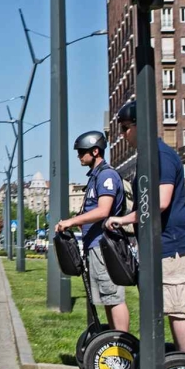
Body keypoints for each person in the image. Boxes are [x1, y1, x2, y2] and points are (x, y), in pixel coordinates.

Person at [103, 101, 185, 352]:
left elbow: (160, 201)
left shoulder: (161, 156)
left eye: (126, 128)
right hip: (162, 245)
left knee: (178, 310)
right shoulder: (149, 156)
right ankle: (178, 365)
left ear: (140, 126)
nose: (123, 135)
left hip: (174, 245)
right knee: (167, 308)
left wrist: (123, 220)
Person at [54, 131, 128, 330]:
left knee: (113, 297)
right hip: (94, 245)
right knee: (106, 298)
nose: (79, 156)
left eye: (82, 152)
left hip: (104, 245)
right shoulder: (95, 177)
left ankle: (123, 345)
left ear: (95, 151)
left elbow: (103, 210)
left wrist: (71, 221)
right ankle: (113, 341)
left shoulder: (106, 175)